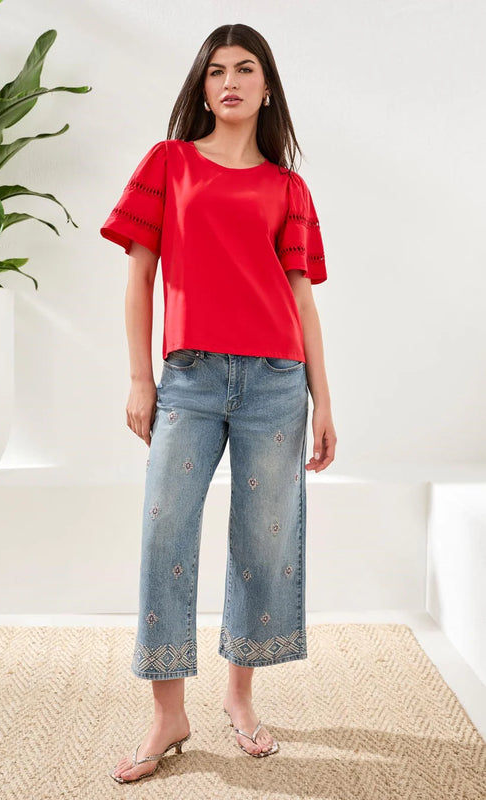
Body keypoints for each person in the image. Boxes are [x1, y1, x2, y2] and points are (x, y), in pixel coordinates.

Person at [100, 22, 337, 783]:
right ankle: (168, 713)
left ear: (266, 87)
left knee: (261, 544)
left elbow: (299, 294)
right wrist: (142, 378)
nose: (228, 82)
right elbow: (139, 276)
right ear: (200, 87)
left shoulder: (286, 187)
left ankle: (239, 697)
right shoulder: (168, 164)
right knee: (163, 534)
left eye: (244, 69)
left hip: (276, 381)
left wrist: (323, 400)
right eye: (213, 71)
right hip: (191, 379)